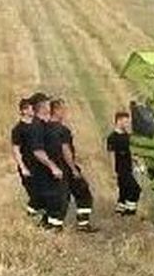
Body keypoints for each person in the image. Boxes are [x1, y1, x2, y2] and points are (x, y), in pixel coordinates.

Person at [50, 98, 95, 231]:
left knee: (63, 196)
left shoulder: (45, 128)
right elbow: (65, 150)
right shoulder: (62, 130)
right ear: (56, 110)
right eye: (63, 109)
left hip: (54, 167)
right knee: (81, 192)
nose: (65, 112)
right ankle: (79, 224)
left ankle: (56, 226)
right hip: (65, 167)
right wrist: (73, 169)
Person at [25, 94, 66, 230]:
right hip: (43, 172)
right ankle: (53, 229)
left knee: (55, 200)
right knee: (55, 200)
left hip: (47, 171)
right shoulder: (36, 126)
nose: (50, 106)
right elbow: (38, 151)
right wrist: (53, 167)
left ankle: (47, 226)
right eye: (48, 104)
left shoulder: (43, 124)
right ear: (42, 106)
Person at [10, 98, 41, 217]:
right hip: (28, 165)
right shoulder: (18, 129)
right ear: (23, 110)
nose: (33, 110)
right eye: (31, 108)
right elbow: (16, 150)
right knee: (35, 194)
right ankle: (30, 216)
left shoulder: (37, 124)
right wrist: (23, 167)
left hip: (40, 164)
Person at [106, 111, 141, 216]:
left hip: (128, 167)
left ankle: (120, 210)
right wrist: (112, 171)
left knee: (124, 191)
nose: (127, 124)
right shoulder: (112, 137)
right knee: (135, 189)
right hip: (120, 169)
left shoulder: (127, 136)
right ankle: (130, 211)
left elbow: (131, 152)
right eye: (125, 122)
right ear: (119, 121)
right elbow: (111, 155)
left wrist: (138, 162)